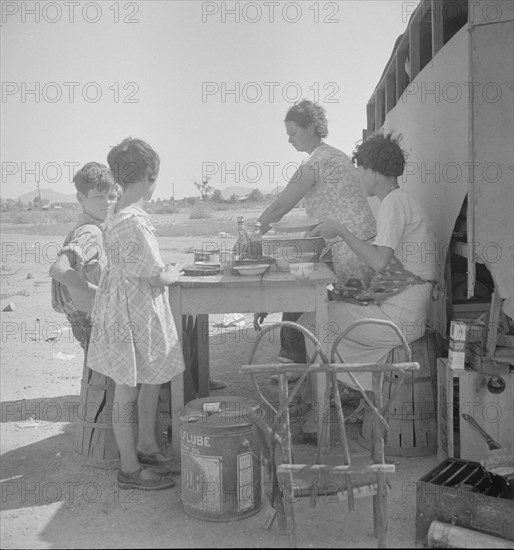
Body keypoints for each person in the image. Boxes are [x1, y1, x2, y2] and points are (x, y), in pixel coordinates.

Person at [297, 132, 438, 434]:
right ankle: (350, 390)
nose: (358, 175)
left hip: (399, 319)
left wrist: (340, 230)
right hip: (403, 310)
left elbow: (378, 262)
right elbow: (388, 261)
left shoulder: (393, 204)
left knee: (310, 322)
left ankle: (320, 412)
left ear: (373, 171)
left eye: (360, 169)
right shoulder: (400, 201)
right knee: (331, 308)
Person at [87, 137, 185, 490]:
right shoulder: (134, 220)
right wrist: (171, 274)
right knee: (128, 388)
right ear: (149, 177)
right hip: (135, 308)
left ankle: (146, 445)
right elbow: (154, 273)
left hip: (125, 306)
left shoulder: (117, 212)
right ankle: (129, 467)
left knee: (149, 377)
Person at [252, 99, 376, 372]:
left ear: (311, 127)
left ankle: (303, 367)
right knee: (304, 285)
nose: (289, 140)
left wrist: (250, 236)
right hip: (357, 244)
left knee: (310, 294)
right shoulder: (335, 155)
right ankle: (297, 360)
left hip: (350, 248)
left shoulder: (317, 162)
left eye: (293, 133)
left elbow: (280, 206)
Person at [50, 162, 118, 347]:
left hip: (87, 318)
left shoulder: (97, 228)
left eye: (111, 196)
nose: (107, 202)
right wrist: (100, 292)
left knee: (98, 372)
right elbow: (58, 269)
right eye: (98, 196)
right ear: (81, 197)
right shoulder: (90, 232)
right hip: (91, 319)